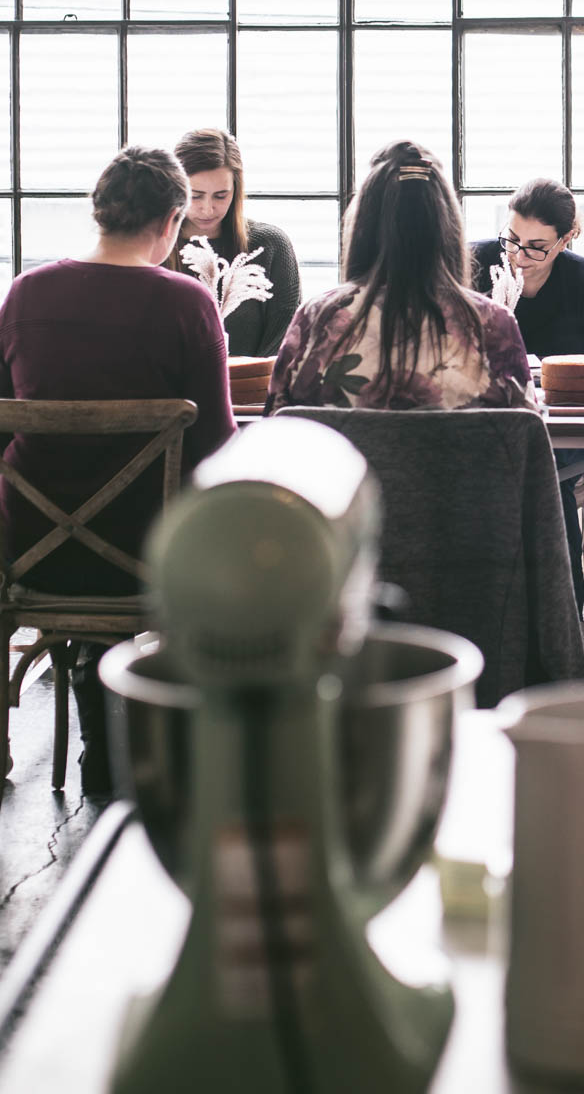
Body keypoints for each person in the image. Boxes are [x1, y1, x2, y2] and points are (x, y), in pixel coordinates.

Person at [0, 146, 237, 794]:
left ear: (98, 214)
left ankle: (97, 733)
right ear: (171, 222)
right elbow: (216, 448)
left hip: (29, 553)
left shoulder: (24, 294)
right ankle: (149, 744)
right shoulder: (187, 304)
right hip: (148, 556)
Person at [266, 140, 535, 414]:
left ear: (363, 226)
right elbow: (528, 439)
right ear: (447, 228)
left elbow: (275, 427)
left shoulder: (317, 319)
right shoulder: (492, 325)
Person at [472, 178, 584, 610]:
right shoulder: (476, 264)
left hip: (562, 434)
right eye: (512, 239)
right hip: (486, 422)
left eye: (537, 246)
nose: (519, 256)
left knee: (540, 466)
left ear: (567, 238)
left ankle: (562, 620)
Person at [169, 127, 300, 358]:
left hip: (253, 390)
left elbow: (283, 341)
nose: (207, 209)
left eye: (221, 196)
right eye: (196, 195)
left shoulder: (269, 245)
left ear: (236, 191)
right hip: (171, 394)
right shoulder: (154, 247)